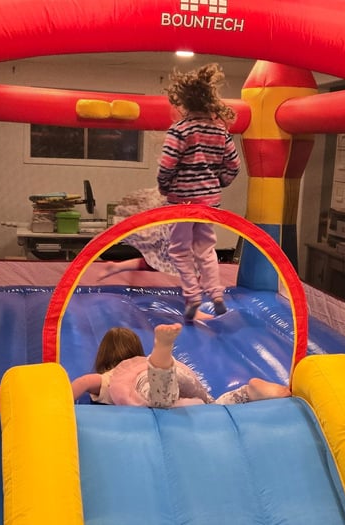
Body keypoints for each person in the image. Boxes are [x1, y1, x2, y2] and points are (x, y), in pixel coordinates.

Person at [156, 63, 241, 321]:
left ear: (184, 102)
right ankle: (215, 293)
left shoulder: (180, 129)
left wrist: (164, 186)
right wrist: (218, 183)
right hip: (209, 202)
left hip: (182, 201)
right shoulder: (220, 130)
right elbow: (233, 165)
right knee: (206, 249)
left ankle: (193, 295)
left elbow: (167, 164)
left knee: (179, 249)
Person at [71, 323, 291, 407]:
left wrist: (62, 404)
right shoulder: (140, 362)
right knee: (214, 406)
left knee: (160, 399)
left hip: (153, 383)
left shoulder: (110, 377)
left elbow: (83, 382)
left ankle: (161, 358)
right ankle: (248, 392)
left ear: (104, 355)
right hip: (183, 378)